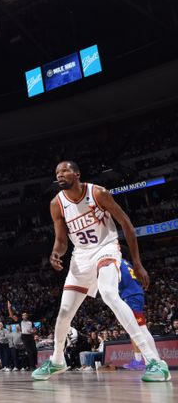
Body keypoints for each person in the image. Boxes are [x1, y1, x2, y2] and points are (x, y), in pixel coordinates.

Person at [32, 161, 171, 382]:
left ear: (77, 173)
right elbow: (61, 241)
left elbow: (126, 225)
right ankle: (57, 361)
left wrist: (137, 263)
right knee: (64, 312)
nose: (59, 174)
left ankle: (154, 361)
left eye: (65, 170)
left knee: (108, 293)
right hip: (81, 256)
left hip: (106, 248)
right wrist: (55, 253)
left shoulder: (98, 193)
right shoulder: (56, 204)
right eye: (57, 172)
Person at [118, 258, 160, 371]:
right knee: (135, 330)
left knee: (141, 328)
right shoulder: (126, 262)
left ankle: (155, 360)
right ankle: (139, 360)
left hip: (131, 296)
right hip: (134, 294)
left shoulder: (115, 261)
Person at [7, 301, 37, 369]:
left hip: (30, 336)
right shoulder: (20, 321)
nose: (25, 316)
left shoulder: (30, 322)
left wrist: (32, 331)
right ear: (22, 316)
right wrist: (9, 307)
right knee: (29, 352)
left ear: (27, 316)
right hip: (24, 337)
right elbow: (11, 316)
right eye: (23, 315)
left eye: (26, 315)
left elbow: (35, 330)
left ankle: (33, 364)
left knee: (34, 351)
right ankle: (32, 366)